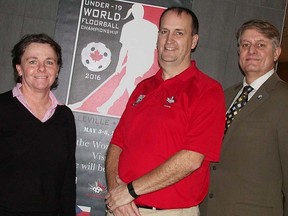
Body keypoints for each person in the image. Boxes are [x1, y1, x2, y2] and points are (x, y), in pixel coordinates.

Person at [105, 7, 226, 216]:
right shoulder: (142, 88)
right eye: (164, 32)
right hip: (121, 209)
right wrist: (117, 192)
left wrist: (130, 191)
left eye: (179, 33)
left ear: (194, 41)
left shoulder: (208, 91)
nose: (169, 40)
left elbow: (191, 159)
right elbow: (116, 145)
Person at [201, 19, 288, 216]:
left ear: (276, 53)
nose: (251, 51)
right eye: (245, 45)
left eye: (261, 45)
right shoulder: (225, 96)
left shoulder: (285, 99)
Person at [0, 33, 76, 216]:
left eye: (49, 62)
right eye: (32, 61)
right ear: (19, 68)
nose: (42, 68)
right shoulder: (2, 108)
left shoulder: (65, 117)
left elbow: (67, 178)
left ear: (57, 70)